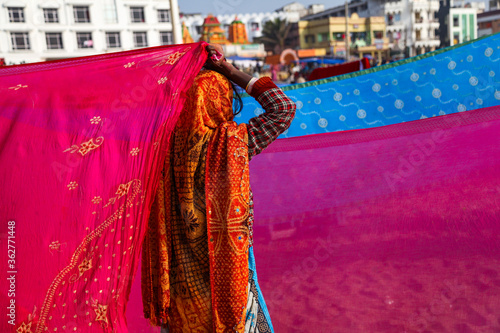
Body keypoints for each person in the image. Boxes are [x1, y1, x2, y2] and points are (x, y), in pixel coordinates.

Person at [141, 44, 296, 333]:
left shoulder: (156, 153)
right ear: (219, 101)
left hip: (181, 297)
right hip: (229, 287)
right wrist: (230, 70)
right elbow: (282, 109)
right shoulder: (231, 145)